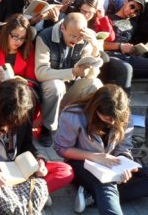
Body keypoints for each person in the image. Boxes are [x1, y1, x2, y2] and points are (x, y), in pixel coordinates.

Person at [0, 79, 74, 212]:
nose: (8, 127)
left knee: (65, 171)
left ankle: (4, 199)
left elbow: (27, 144)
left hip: (18, 169)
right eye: (6, 121)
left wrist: (39, 160)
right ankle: (30, 194)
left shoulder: (26, 107)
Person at [55, 84, 148, 214]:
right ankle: (101, 194)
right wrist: (94, 156)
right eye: (107, 118)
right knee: (106, 184)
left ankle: (91, 196)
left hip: (111, 164)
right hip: (80, 162)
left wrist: (125, 164)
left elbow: (124, 146)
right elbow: (61, 149)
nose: (113, 122)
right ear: (96, 109)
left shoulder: (124, 115)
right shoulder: (74, 114)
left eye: (117, 119)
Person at [35, 12, 103, 146]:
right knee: (56, 86)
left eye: (79, 37)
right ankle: (47, 128)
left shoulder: (86, 39)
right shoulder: (45, 37)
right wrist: (72, 72)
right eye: (72, 36)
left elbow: (90, 76)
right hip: (49, 89)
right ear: (62, 28)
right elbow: (40, 72)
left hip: (72, 88)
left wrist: (95, 47)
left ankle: (84, 127)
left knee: (96, 84)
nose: (76, 40)